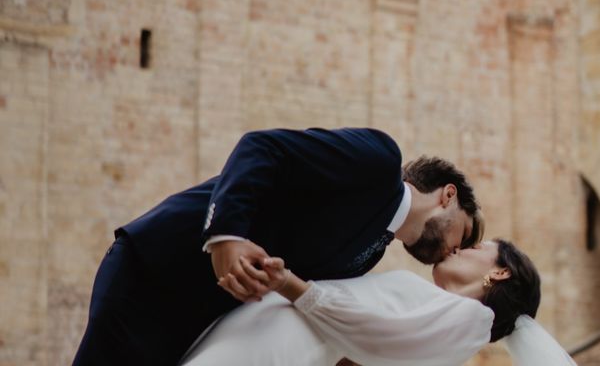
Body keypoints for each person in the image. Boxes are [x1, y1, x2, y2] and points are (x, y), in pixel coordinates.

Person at [72, 127, 484, 365]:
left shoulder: (370, 255)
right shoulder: (379, 161)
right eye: (462, 236)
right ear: (447, 195)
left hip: (191, 329)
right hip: (154, 276)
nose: (452, 252)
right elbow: (261, 147)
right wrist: (225, 237)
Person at [181, 239, 576, 366]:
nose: (459, 248)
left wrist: (289, 284)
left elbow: (373, 334)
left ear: (501, 272)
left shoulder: (472, 320)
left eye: (475, 247)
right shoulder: (447, 323)